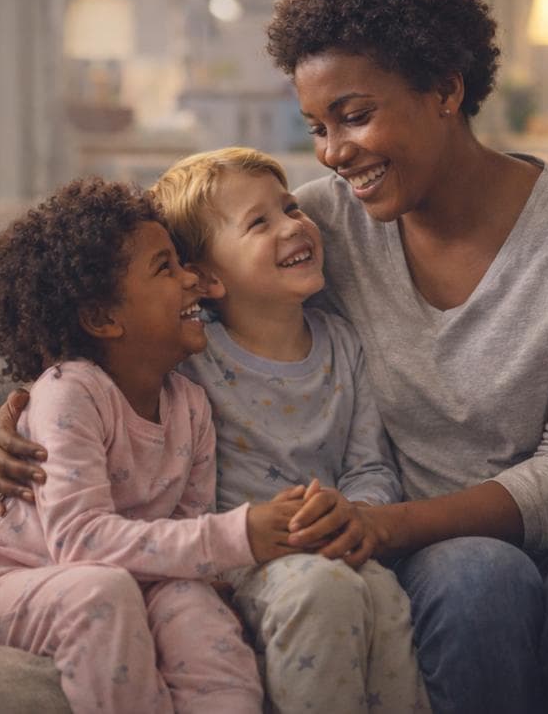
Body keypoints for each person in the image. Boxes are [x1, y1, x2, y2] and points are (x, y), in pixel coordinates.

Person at [0, 0, 548, 714]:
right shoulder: (321, 224)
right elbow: (138, 272)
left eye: (354, 116)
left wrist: (385, 522)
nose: (332, 154)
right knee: (478, 580)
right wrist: (34, 399)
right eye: (317, 126)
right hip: (440, 552)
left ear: (446, 89)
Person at [0, 177, 307, 713]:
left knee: (196, 606)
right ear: (102, 317)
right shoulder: (71, 391)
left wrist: (210, 572)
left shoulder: (192, 405)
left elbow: (184, 532)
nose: (192, 281)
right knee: (101, 592)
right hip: (4, 588)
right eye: (166, 267)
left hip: (127, 578)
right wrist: (240, 534)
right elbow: (79, 545)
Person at [149, 147, 429, 714]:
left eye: (290, 207)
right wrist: (21, 405)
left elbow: (370, 465)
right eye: (259, 222)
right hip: (242, 559)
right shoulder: (190, 357)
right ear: (205, 278)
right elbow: (96, 371)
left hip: (335, 546)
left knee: (383, 594)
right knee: (320, 592)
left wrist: (353, 515)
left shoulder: (343, 344)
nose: (293, 226)